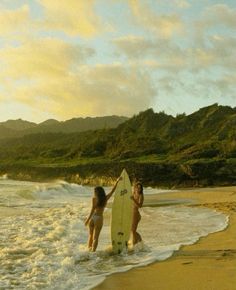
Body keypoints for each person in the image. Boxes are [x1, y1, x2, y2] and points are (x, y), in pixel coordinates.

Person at [84, 177, 121, 252]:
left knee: (90, 236)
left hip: (93, 218)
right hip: (99, 218)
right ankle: (93, 253)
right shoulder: (105, 198)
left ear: (96, 193)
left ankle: (88, 251)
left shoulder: (94, 199)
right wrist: (117, 182)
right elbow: (112, 191)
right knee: (96, 238)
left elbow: (92, 210)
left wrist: (87, 220)